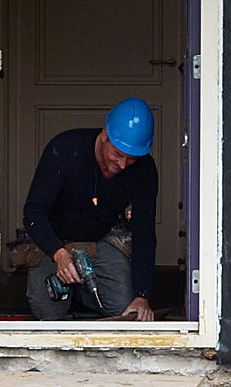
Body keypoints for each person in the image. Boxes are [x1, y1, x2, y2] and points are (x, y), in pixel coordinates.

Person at [21, 97, 159, 321]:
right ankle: (76, 293)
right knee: (47, 313)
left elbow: (144, 233)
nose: (122, 165)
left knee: (126, 309)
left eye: (131, 159)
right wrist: (59, 254)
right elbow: (33, 212)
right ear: (105, 134)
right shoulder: (65, 149)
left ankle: (85, 291)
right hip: (53, 240)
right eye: (117, 154)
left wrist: (142, 295)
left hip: (101, 239)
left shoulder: (144, 170)